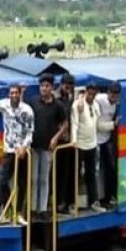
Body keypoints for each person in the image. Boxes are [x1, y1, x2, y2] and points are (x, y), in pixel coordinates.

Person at [0, 83, 34, 224]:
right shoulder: (3, 104)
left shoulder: (27, 110)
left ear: (20, 94)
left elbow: (30, 132)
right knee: (0, 180)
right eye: (11, 93)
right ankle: (6, 211)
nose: (14, 95)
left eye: (16, 93)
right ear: (9, 94)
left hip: (23, 152)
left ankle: (18, 214)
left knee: (22, 182)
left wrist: (24, 147)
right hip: (9, 151)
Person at [29, 73, 67, 218]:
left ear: (52, 87)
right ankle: (33, 208)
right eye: (41, 86)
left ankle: (43, 209)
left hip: (47, 147)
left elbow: (65, 124)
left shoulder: (58, 105)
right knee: (33, 178)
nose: (43, 89)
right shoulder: (33, 102)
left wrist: (56, 138)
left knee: (44, 178)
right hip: (33, 146)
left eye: (46, 86)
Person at [71, 83, 106, 213]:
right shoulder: (77, 105)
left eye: (93, 94)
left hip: (92, 143)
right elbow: (74, 123)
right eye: (89, 94)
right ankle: (73, 203)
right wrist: (74, 140)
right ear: (85, 92)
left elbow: (96, 124)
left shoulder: (96, 105)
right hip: (79, 144)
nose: (91, 96)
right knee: (76, 174)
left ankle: (93, 202)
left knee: (91, 174)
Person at [95, 82, 121, 208]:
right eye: (112, 93)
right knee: (96, 170)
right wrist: (113, 125)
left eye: (116, 94)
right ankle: (96, 199)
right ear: (108, 92)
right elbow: (97, 125)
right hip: (95, 140)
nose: (113, 96)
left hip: (106, 139)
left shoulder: (117, 104)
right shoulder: (99, 100)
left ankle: (110, 196)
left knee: (110, 168)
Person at [53, 73, 76, 214]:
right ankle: (58, 203)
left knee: (67, 172)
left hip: (68, 141)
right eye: (67, 85)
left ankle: (66, 202)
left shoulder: (69, 98)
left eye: (70, 86)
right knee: (58, 174)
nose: (68, 88)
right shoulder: (55, 99)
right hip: (57, 141)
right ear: (62, 84)